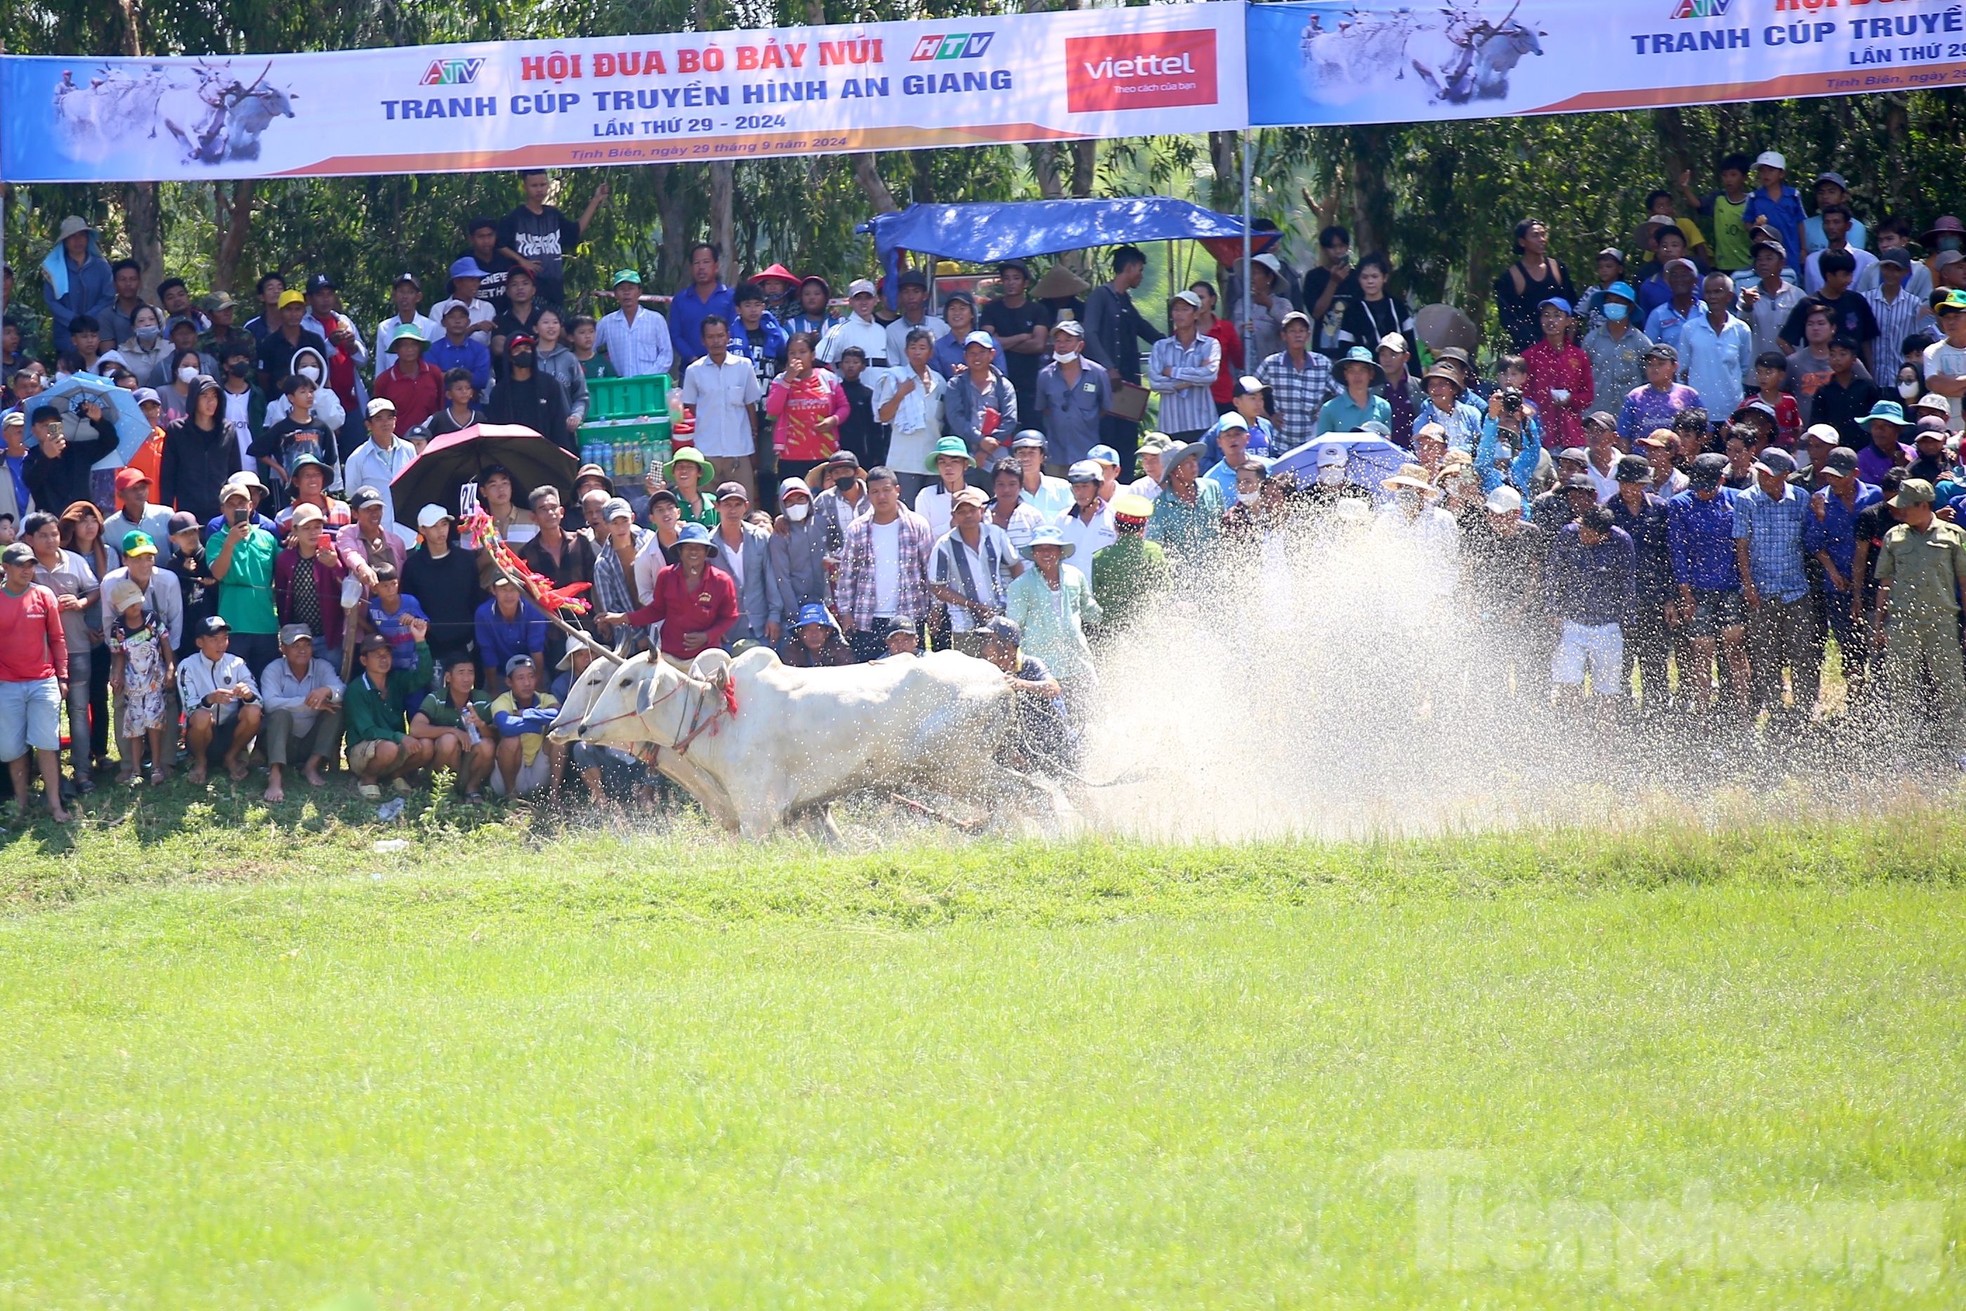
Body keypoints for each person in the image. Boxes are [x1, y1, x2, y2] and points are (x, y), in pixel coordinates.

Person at [1868, 477, 1966, 763]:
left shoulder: (1954, 535)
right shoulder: (1894, 537)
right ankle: (1904, 748)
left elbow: (1963, 582)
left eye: (1906, 507)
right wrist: (1879, 624)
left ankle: (1959, 747)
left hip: (1942, 622)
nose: (1900, 512)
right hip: (1902, 623)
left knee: (1951, 687)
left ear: (1923, 505)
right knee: (1901, 688)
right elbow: (1885, 582)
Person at [1729, 447, 1816, 723]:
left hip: (1795, 588)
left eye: (1769, 475)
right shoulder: (1747, 500)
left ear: (1785, 476)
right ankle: (1774, 707)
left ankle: (1804, 707)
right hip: (1762, 588)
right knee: (1765, 652)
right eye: (1762, 473)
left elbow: (1808, 540)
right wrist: (1749, 585)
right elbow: (1741, 545)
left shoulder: (1800, 499)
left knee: (1802, 651)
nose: (1764, 478)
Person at [1667, 452, 1750, 713]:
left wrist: (1747, 584)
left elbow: (1744, 546)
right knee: (1702, 652)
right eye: (1699, 485)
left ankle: (1743, 712)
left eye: (1709, 485)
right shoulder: (1679, 504)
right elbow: (1677, 550)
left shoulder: (1737, 501)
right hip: (1697, 590)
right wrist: (1685, 593)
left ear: (1721, 479)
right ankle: (1702, 712)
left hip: (1731, 588)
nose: (1703, 491)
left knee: (1734, 648)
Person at [0, 540, 72, 822]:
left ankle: (55, 804)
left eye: (31, 564)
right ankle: (21, 803)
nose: (27, 570)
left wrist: (62, 676)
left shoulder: (44, 595)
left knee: (47, 743)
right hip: (7, 684)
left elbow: (57, 638)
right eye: (21, 565)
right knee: (11, 748)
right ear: (6, 567)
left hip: (43, 681)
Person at [1004, 523, 1101, 727]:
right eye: (1040, 549)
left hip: (1076, 660)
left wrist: (1109, 611)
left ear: (1060, 551)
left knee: (1088, 717)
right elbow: (1014, 627)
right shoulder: (1020, 586)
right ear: (1033, 553)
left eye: (1051, 548)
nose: (1046, 553)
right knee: (1053, 723)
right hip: (1044, 665)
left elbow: (1089, 609)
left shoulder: (1075, 576)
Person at [608, 522, 740, 667]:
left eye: (699, 547)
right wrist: (624, 618)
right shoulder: (666, 576)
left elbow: (729, 616)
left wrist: (707, 636)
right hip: (669, 655)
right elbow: (657, 610)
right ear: (680, 551)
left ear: (707, 552)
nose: (693, 551)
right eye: (688, 547)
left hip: (707, 656)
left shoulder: (722, 581)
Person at [1545, 505, 1635, 714]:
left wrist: (1628, 619)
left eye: (1588, 533)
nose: (1582, 535)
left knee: (1607, 690)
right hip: (1573, 623)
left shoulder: (1621, 541)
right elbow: (1554, 573)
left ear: (1603, 535)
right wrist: (1553, 609)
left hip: (1607, 625)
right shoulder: (1568, 534)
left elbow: (1627, 581)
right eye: (1582, 529)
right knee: (1568, 683)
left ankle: (1604, 742)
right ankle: (1577, 734)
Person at [1081, 246, 1160, 467]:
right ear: (1129, 267)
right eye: (1140, 270)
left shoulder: (1124, 300)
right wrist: (1107, 367)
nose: (1141, 276)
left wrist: (1168, 341)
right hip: (1107, 382)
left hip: (1128, 383)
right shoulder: (1100, 296)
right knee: (1108, 433)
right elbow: (1090, 332)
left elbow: (1142, 327)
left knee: (1127, 435)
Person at [343, 625, 436, 800]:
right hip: (363, 750)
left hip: (392, 745)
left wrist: (420, 641)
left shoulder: (396, 679)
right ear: (364, 661)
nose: (384, 659)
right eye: (377, 655)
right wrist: (401, 737)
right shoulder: (357, 689)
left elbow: (423, 676)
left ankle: (396, 775)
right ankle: (368, 779)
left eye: (387, 654)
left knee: (426, 747)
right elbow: (368, 731)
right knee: (389, 748)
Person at [256, 624, 344, 802]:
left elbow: (341, 689)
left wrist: (326, 691)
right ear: (283, 649)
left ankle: (312, 765)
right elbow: (270, 704)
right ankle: (275, 775)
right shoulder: (273, 670)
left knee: (336, 710)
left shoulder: (322, 666)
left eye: (307, 645)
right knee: (280, 714)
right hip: (280, 741)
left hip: (310, 742)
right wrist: (309, 703)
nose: (302, 651)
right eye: (296, 646)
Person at [927, 485, 1020, 656]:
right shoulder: (944, 545)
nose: (968, 515)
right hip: (964, 623)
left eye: (972, 510)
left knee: (1004, 670)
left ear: (981, 511)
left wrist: (1016, 600)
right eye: (961, 511)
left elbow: (1015, 565)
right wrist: (972, 605)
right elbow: (937, 587)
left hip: (1000, 617)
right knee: (969, 675)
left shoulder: (996, 534)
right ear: (953, 516)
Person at [679, 315, 763, 501]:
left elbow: (750, 406)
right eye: (710, 337)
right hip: (707, 451)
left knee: (743, 506)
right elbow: (691, 407)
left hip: (739, 450)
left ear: (728, 337)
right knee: (709, 507)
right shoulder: (694, 371)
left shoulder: (744, 366)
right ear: (703, 340)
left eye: (720, 336)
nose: (716, 341)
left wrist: (754, 444)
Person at [499, 169, 607, 309]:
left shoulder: (553, 214)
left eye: (543, 184)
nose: (539, 189)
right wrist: (522, 261)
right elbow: (499, 244)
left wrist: (596, 200)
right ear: (524, 186)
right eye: (534, 185)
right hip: (529, 287)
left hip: (554, 285)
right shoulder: (516, 217)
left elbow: (575, 232)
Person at [975, 615, 1072, 772]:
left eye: (989, 640)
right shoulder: (991, 672)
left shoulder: (1031, 664)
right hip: (1024, 749)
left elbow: (1054, 688)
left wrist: (1021, 684)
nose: (984, 648)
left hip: (1057, 743)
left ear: (1007, 646)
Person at [176, 614, 262, 785]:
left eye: (225, 638)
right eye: (214, 639)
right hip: (202, 733)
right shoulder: (187, 666)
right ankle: (201, 761)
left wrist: (248, 694)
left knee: (253, 711)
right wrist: (209, 699)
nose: (221, 644)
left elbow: (259, 700)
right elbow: (188, 707)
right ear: (200, 643)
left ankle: (231, 757)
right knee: (201, 716)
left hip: (231, 731)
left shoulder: (237, 663)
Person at [410, 653, 498, 802]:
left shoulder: (482, 699)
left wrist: (481, 725)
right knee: (448, 740)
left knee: (488, 745)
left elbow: (496, 735)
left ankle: (472, 789)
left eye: (471, 673)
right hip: (442, 763)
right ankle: (446, 790)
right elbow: (415, 728)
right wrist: (453, 731)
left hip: (469, 763)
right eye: (461, 673)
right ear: (448, 677)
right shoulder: (436, 698)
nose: (466, 679)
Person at [873, 328, 947, 502]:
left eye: (922, 347)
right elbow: (883, 416)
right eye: (913, 347)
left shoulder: (940, 381)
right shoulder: (895, 378)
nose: (917, 352)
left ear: (931, 352)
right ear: (906, 351)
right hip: (904, 460)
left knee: (931, 510)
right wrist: (900, 394)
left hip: (933, 459)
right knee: (905, 509)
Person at [979, 260, 1052, 423]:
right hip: (996, 386)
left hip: (1030, 385)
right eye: (1006, 278)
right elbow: (986, 344)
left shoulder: (1037, 310)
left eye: (1016, 278)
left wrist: (1001, 342)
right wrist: (1022, 337)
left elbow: (1038, 345)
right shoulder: (991, 309)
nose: (1011, 283)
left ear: (1025, 283)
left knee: (1031, 436)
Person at [486, 653, 564, 801]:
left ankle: (554, 796)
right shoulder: (501, 701)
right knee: (511, 740)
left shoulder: (545, 698)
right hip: (508, 776)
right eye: (520, 678)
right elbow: (505, 726)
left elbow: (560, 715)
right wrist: (538, 723)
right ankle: (511, 797)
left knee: (559, 737)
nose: (527, 683)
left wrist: (526, 714)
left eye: (531, 676)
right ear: (509, 682)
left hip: (537, 772)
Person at [1495, 218, 1576, 353]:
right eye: (1535, 235)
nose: (1541, 239)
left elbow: (1572, 307)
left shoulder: (1558, 268)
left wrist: (1568, 344)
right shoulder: (1509, 278)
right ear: (1522, 242)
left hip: (1563, 345)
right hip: (1529, 349)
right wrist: (1535, 349)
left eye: (1543, 234)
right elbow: (1509, 320)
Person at [40, 216, 114, 357]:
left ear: (88, 238)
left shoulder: (102, 267)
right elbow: (51, 302)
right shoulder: (53, 269)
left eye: (81, 235)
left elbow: (108, 297)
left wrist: (88, 319)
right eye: (72, 236)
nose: (77, 240)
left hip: (96, 333)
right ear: (65, 241)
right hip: (66, 334)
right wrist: (74, 320)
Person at [1257, 311, 1333, 448]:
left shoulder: (1322, 363)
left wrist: (1326, 412)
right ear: (1283, 336)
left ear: (1308, 335)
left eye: (1301, 331)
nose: (1297, 335)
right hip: (1280, 441)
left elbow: (1341, 393)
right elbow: (1252, 392)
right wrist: (1268, 416)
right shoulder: (1272, 363)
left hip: (1313, 441)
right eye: (1292, 331)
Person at [1146, 441, 1223, 569]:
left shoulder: (1212, 488)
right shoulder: (1158, 506)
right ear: (1172, 471)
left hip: (1216, 573)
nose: (1194, 466)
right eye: (1186, 462)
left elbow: (1222, 526)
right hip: (1181, 579)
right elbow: (1156, 547)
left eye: (1194, 460)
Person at [1617, 344, 1703, 442]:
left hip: (1679, 456)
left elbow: (1705, 432)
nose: (1654, 368)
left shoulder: (1689, 395)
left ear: (1675, 366)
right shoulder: (1635, 396)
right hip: (1642, 456)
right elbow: (1623, 436)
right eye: (1650, 364)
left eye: (1660, 364)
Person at [596, 270, 673, 378]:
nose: (626, 293)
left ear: (639, 292)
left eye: (631, 288)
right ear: (616, 294)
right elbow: (590, 348)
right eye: (622, 289)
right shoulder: (606, 323)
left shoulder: (656, 320)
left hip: (650, 384)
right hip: (619, 386)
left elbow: (666, 355)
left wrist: (647, 377)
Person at [1313, 347, 1393, 436]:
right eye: (1352, 370)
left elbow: (1387, 443)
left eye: (1362, 370)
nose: (1357, 375)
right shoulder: (1329, 409)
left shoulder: (1384, 407)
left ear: (1371, 374)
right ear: (1345, 375)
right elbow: (1323, 446)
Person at [915, 436, 977, 541]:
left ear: (965, 465)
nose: (948, 467)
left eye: (955, 461)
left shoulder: (979, 496)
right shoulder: (925, 495)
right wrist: (951, 525)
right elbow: (922, 537)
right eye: (942, 462)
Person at [1007, 432, 1072, 519]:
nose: (1026, 458)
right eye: (1021, 453)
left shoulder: (1062, 488)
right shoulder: (1008, 491)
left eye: (1032, 453)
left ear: (1042, 457)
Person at [777, 602, 855, 668]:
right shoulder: (792, 651)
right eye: (808, 630)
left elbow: (848, 676)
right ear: (800, 633)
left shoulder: (840, 651)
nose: (814, 634)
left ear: (827, 632)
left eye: (819, 629)